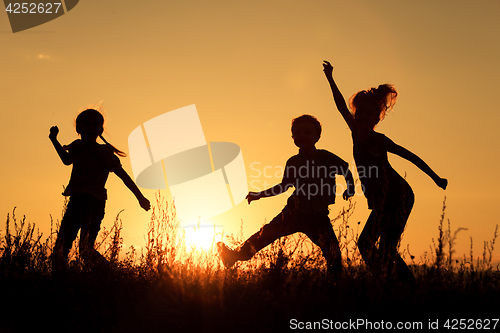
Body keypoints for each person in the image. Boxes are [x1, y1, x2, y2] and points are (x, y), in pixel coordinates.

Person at [322, 60, 447, 283]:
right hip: (382, 199)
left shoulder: (379, 140)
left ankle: (402, 287)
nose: (361, 117)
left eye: (368, 115)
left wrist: (435, 177)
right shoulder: (354, 133)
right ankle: (389, 283)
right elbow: (341, 106)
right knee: (370, 245)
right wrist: (330, 78)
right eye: (359, 113)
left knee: (379, 246)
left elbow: (410, 156)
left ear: (377, 119)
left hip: (398, 196)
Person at [217, 114, 355, 276]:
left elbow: (345, 168)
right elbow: (284, 186)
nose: (302, 135)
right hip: (294, 212)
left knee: (333, 254)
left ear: (317, 136)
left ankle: (335, 284)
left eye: (307, 132)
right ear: (293, 137)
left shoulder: (325, 157)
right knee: (264, 235)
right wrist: (260, 194)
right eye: (298, 133)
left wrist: (350, 187)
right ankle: (234, 256)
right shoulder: (293, 162)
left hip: (318, 216)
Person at [49, 108, 150, 271]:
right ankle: (58, 280)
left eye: (95, 124)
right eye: (86, 123)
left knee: (85, 249)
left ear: (100, 130)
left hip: (93, 202)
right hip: (76, 201)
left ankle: (110, 276)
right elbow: (67, 160)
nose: (90, 127)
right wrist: (54, 140)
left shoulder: (104, 153)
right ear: (78, 128)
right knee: (61, 246)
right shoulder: (77, 147)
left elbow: (123, 176)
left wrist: (140, 197)